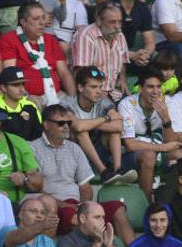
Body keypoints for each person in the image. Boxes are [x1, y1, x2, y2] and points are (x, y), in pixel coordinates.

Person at [30, 104, 135, 245]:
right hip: (52, 207)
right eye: (61, 123)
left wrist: (82, 206)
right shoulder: (32, 148)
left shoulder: (74, 148)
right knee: (76, 217)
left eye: (68, 122)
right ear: (46, 125)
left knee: (117, 208)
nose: (66, 126)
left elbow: (85, 187)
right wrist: (66, 206)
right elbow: (36, 188)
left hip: (76, 205)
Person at [118, 69, 182, 201]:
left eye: (158, 86)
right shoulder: (127, 104)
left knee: (181, 155)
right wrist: (162, 148)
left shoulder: (169, 103)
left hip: (158, 148)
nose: (156, 91)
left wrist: (166, 119)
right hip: (130, 156)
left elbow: (173, 142)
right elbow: (130, 144)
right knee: (149, 155)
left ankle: (173, 202)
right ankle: (148, 205)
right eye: (150, 87)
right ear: (140, 89)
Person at [60, 65, 133, 184]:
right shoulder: (67, 104)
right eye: (93, 87)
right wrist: (106, 118)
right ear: (80, 87)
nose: (98, 91)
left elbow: (119, 126)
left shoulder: (103, 102)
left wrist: (89, 124)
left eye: (100, 87)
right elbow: (78, 127)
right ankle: (104, 172)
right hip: (76, 155)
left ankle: (117, 170)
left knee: (113, 132)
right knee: (81, 132)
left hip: (98, 150)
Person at [0, 0, 75, 102]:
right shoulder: (10, 39)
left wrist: (73, 100)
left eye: (43, 18)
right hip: (27, 98)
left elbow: (64, 73)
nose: (42, 22)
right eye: (36, 19)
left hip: (56, 95)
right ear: (23, 22)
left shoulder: (51, 40)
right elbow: (10, 74)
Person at [73, 5, 130, 102]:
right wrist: (103, 97)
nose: (117, 26)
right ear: (99, 21)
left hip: (113, 93)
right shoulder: (86, 35)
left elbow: (123, 60)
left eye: (119, 22)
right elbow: (82, 73)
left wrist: (122, 78)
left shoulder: (119, 35)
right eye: (112, 22)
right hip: (92, 95)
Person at [109, 0, 156, 71]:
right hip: (109, 55)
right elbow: (106, 45)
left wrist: (144, 54)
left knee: (158, 59)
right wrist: (132, 55)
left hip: (132, 54)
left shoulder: (142, 7)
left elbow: (150, 41)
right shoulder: (109, 8)